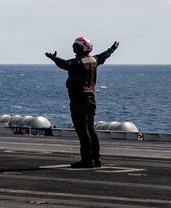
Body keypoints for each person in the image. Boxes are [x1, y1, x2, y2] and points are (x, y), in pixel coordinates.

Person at [45, 37, 119, 168]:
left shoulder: (78, 62)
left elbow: (66, 64)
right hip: (91, 98)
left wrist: (54, 59)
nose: (74, 48)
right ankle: (96, 159)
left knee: (82, 130)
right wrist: (111, 49)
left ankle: (86, 159)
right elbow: (103, 56)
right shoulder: (93, 60)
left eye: (76, 46)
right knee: (91, 128)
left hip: (78, 99)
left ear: (82, 48)